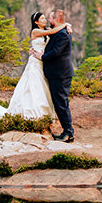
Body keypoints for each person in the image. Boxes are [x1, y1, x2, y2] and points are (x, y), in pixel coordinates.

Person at [0, 11, 70, 123]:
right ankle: (32, 113)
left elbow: (54, 33)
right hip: (35, 61)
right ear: (36, 22)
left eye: (45, 18)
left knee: (42, 87)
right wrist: (65, 25)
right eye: (42, 19)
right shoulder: (35, 31)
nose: (45, 20)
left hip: (43, 62)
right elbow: (55, 30)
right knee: (33, 86)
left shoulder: (46, 31)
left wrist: (67, 26)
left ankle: (42, 114)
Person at [36, 9, 75, 142]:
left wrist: (42, 57)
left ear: (56, 20)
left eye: (50, 18)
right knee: (59, 102)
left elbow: (56, 52)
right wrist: (66, 24)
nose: (48, 21)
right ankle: (66, 131)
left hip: (61, 74)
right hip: (56, 73)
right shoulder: (59, 31)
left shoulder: (63, 34)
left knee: (61, 103)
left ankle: (68, 132)